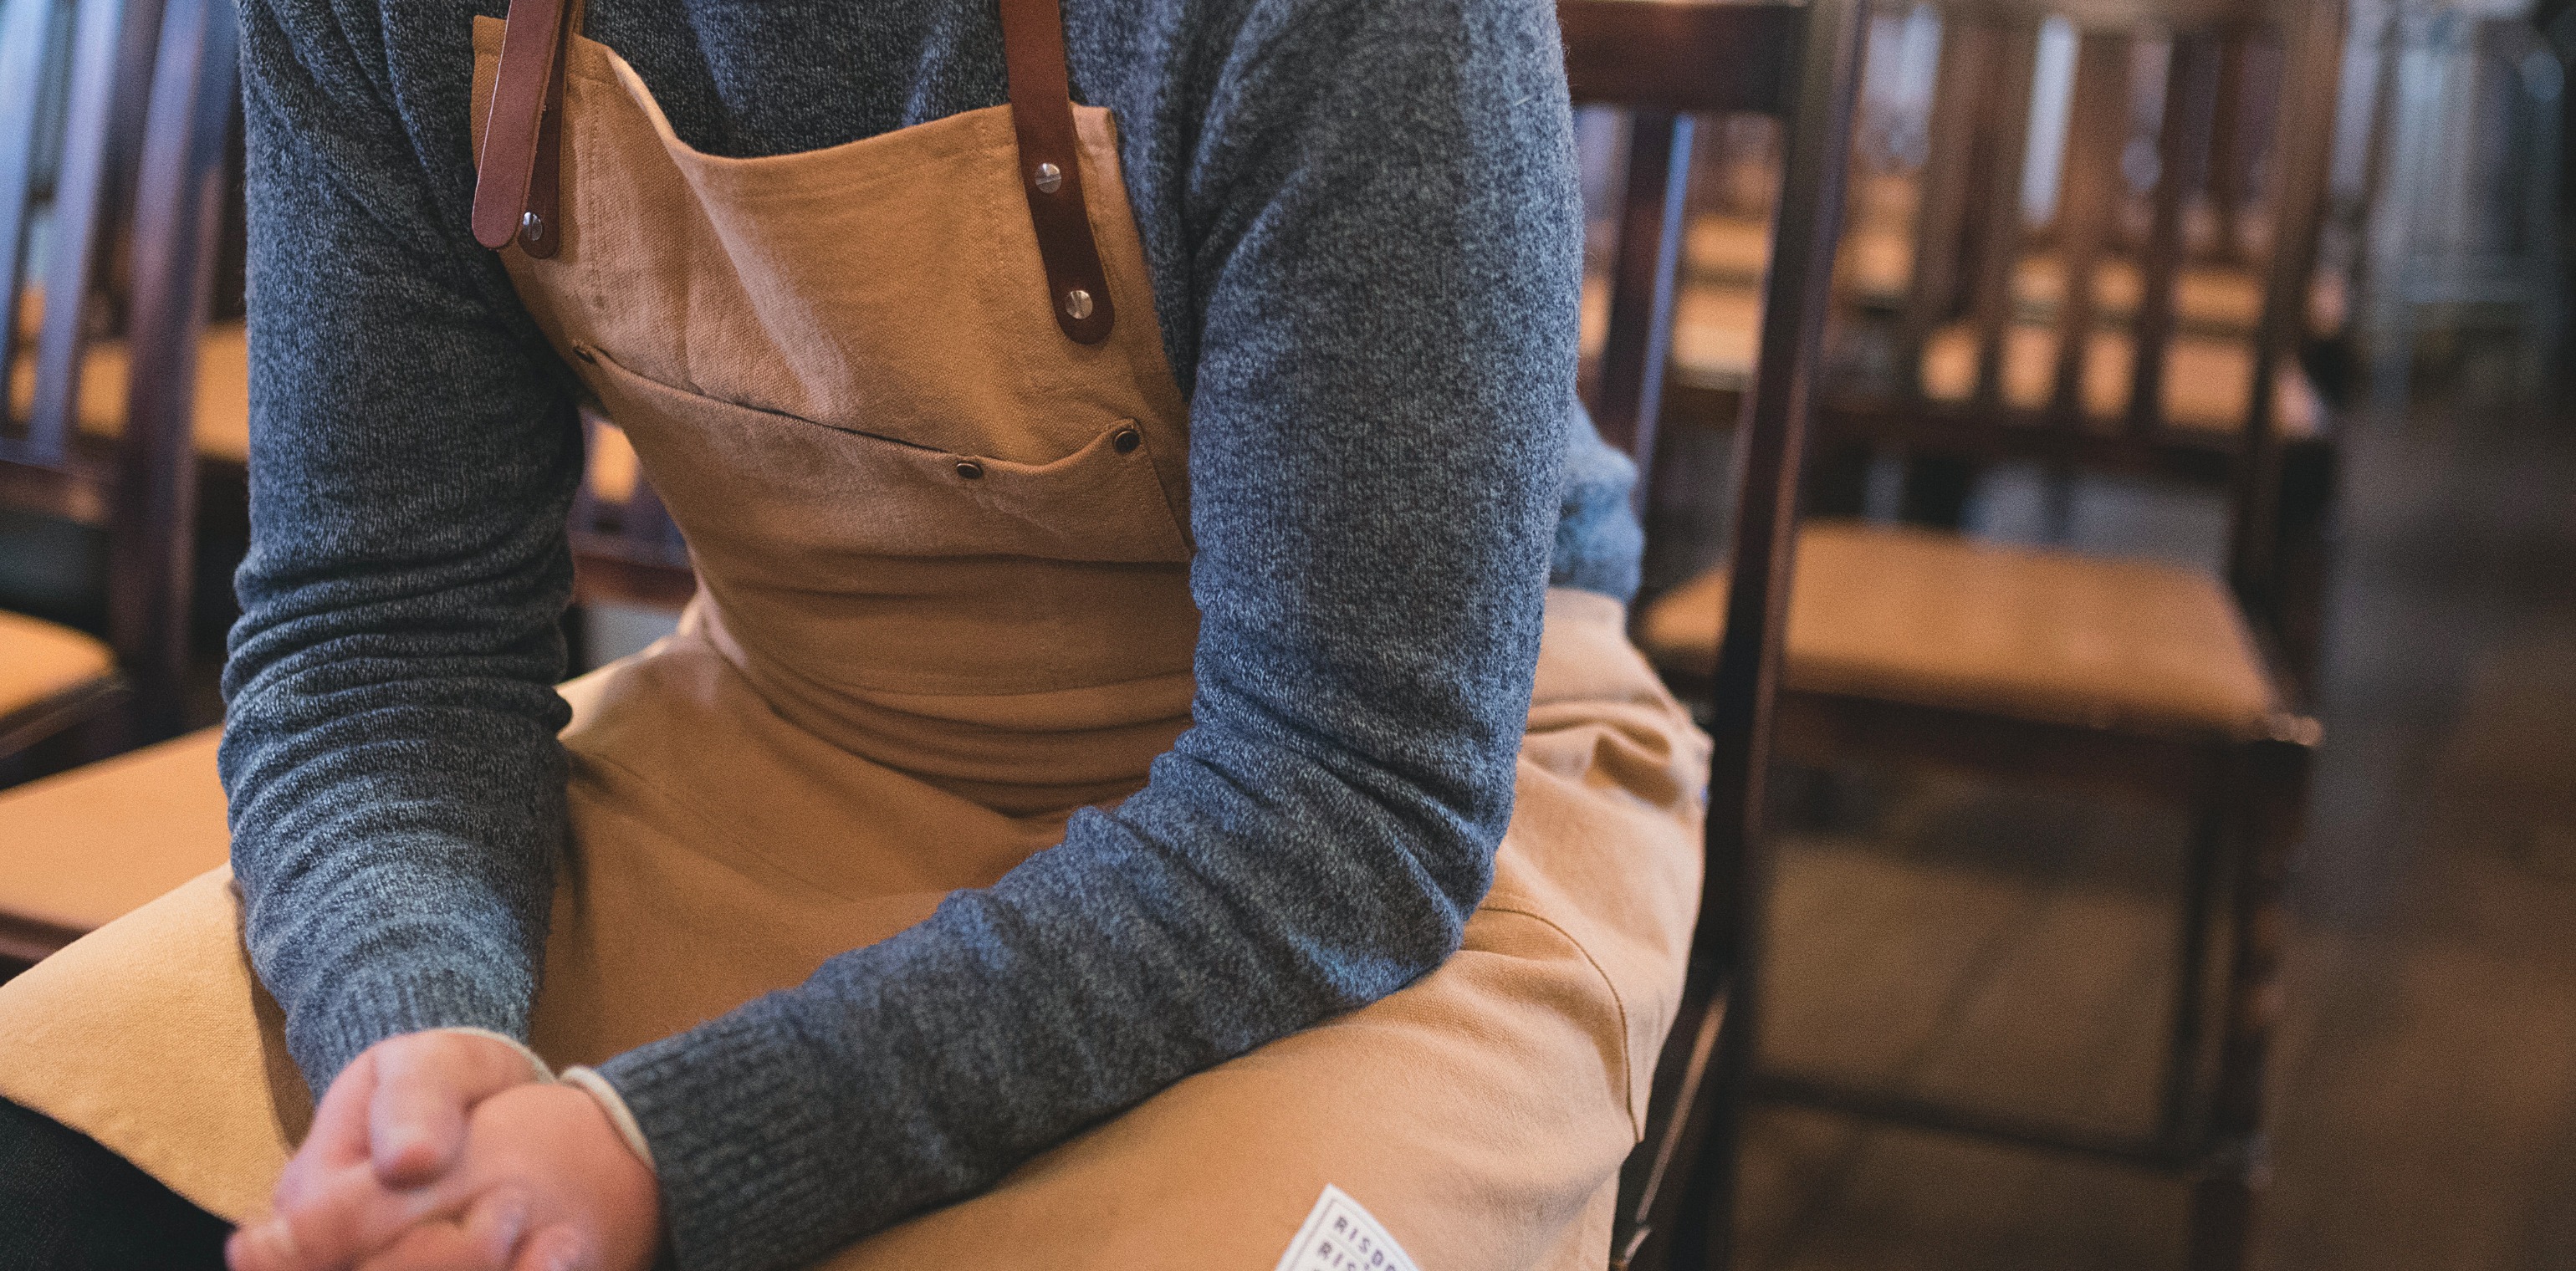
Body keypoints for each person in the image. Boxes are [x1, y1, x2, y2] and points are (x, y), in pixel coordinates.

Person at [0, 0, 1708, 1266]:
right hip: (794, 727)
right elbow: (383, 629)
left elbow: (1355, 800)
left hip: (1387, 830)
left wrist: (672, 1149)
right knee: (60, 1152)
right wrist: (416, 1041)